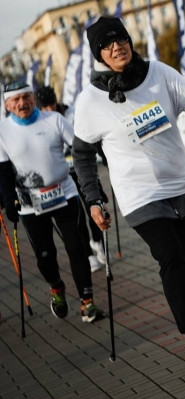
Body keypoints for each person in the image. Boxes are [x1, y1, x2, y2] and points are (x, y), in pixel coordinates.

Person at [71, 16, 185, 367]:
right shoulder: (90, 101)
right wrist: (94, 199)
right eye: (107, 45)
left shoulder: (158, 73)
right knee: (170, 257)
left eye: (121, 40)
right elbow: (82, 157)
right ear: (99, 54)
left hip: (179, 186)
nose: (117, 48)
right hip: (139, 196)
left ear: (130, 40)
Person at [0, 79, 107, 323]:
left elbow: (81, 151)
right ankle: (56, 288)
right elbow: (3, 172)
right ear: (7, 104)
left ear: (33, 98)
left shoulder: (54, 120)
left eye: (26, 97)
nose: (22, 103)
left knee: (77, 249)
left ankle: (87, 303)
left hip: (64, 193)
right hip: (30, 203)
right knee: (45, 256)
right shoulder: (3, 131)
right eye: (15, 100)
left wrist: (96, 188)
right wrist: (8, 202)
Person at [35, 85, 108, 272]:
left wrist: (105, 155)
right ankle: (89, 255)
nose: (49, 110)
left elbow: (90, 136)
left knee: (95, 206)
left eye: (51, 104)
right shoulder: (41, 123)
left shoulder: (73, 113)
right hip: (64, 178)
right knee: (78, 217)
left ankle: (97, 241)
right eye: (45, 107)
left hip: (82, 171)